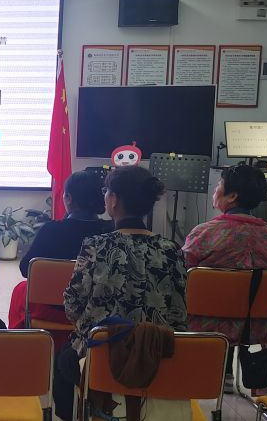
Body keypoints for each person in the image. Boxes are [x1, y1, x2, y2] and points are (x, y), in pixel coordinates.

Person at [53, 166, 188, 420]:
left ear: (114, 200)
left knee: (63, 361)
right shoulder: (172, 250)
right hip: (155, 356)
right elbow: (179, 315)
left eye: (106, 191)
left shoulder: (96, 246)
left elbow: (72, 305)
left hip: (100, 356)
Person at [183, 165, 267, 345]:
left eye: (219, 185)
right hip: (256, 333)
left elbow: (181, 276)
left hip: (206, 332)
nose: (215, 190)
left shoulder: (202, 235)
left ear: (232, 196)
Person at [7, 171, 114, 337]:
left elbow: (25, 269)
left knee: (21, 290)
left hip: (53, 310)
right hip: (97, 310)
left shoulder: (52, 230)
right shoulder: (111, 231)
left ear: (68, 198)